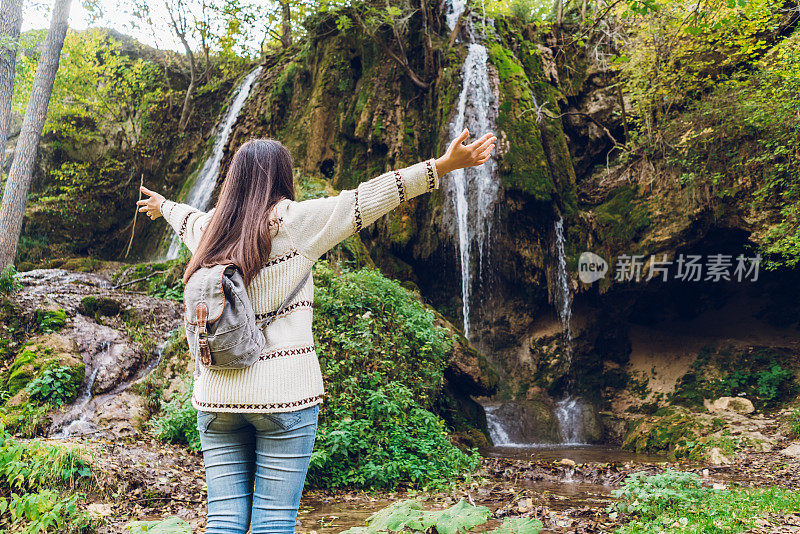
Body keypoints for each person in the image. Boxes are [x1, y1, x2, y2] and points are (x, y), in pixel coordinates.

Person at [136, 127, 496, 534]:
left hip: (215, 397)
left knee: (223, 519)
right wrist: (444, 165)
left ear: (233, 180)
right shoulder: (296, 222)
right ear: (281, 177)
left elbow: (185, 218)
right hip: (284, 396)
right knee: (273, 521)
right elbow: (369, 197)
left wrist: (162, 205)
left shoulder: (211, 231)